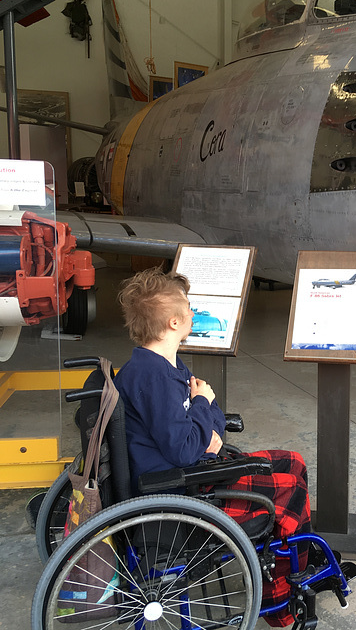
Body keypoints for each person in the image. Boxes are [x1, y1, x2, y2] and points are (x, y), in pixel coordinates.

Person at [114, 266, 310, 627]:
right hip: (182, 488)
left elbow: (212, 418)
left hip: (191, 470)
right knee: (290, 489)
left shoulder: (162, 364)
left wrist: (206, 418)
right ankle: (281, 597)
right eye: (188, 307)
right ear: (174, 322)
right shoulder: (153, 377)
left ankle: (298, 558)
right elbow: (188, 445)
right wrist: (203, 407)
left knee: (294, 462)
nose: (192, 312)